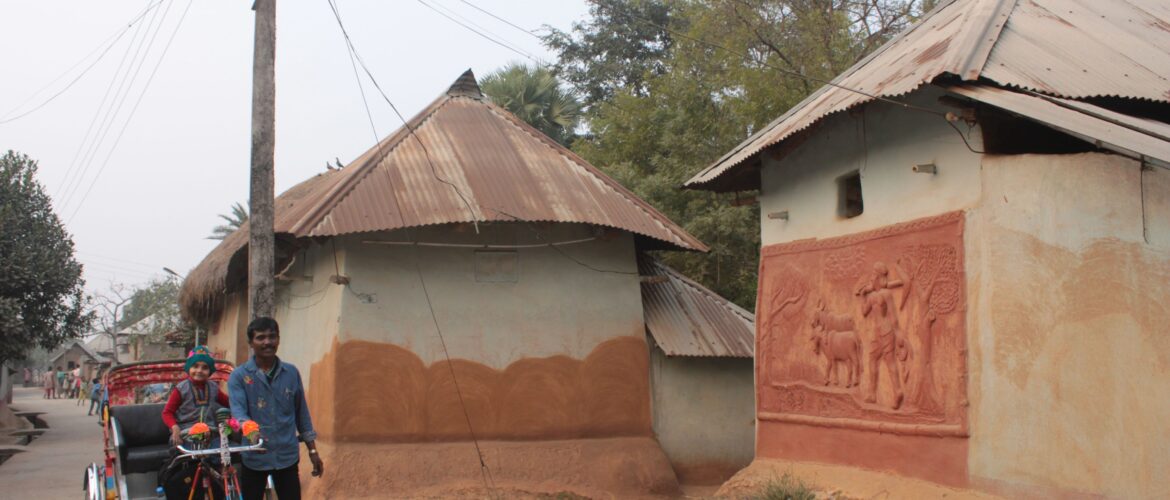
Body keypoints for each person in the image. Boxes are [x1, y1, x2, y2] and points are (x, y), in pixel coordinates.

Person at [229, 317, 323, 500]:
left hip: (287, 456)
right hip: (255, 456)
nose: (267, 342)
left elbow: (301, 414)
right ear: (251, 343)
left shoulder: (291, 373)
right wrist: (250, 430)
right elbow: (239, 413)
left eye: (272, 337)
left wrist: (313, 451)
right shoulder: (239, 377)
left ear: (278, 339)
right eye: (260, 337)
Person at [162, 346, 230, 446]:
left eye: (205, 368)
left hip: (210, 433)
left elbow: (230, 403)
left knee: (228, 452)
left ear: (210, 371)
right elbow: (167, 412)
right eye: (195, 366)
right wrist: (174, 427)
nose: (199, 370)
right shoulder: (181, 389)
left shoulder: (214, 388)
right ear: (189, 368)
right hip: (185, 433)